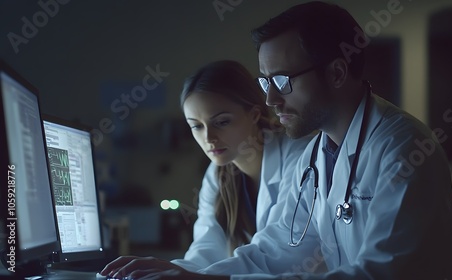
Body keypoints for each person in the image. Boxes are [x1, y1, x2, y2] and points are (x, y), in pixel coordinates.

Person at [100, 2, 452, 279]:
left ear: (336, 72)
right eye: (265, 82)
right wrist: (189, 274)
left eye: (283, 81)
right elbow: (280, 248)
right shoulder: (316, 156)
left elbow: (381, 273)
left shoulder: (403, 149)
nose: (271, 100)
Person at [100, 60, 312, 276]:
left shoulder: (299, 158)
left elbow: (277, 253)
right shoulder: (217, 173)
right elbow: (207, 247)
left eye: (222, 122)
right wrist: (169, 270)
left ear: (254, 115)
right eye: (197, 126)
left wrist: (194, 277)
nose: (209, 138)